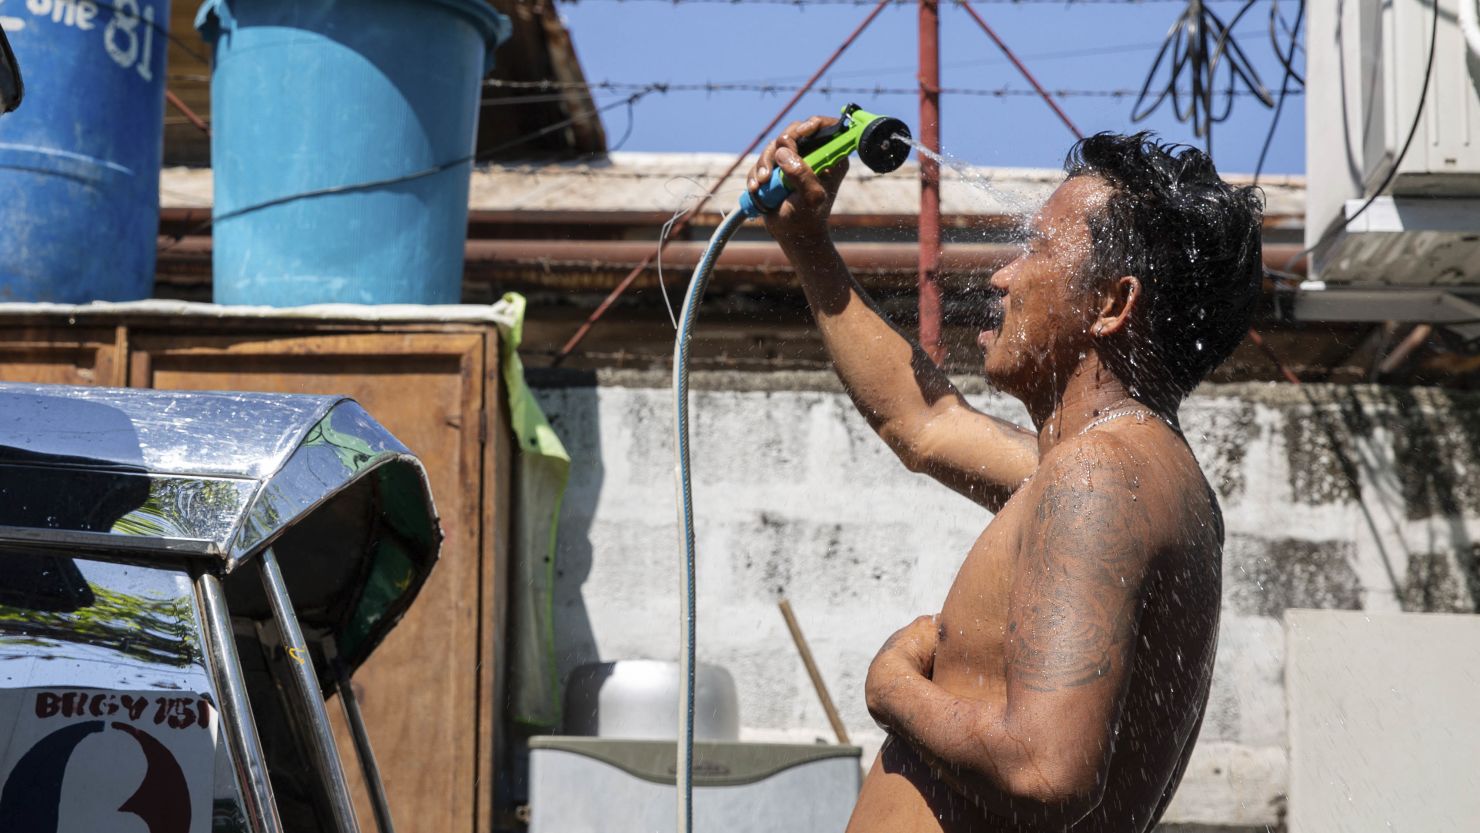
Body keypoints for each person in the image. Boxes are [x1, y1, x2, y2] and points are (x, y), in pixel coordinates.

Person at [747, 122, 1263, 832]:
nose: (1002, 274)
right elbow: (923, 425)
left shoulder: (1100, 475)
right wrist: (807, 242)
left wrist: (891, 687)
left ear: (1113, 305)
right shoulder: (1114, 468)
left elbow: (1045, 772)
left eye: (1039, 248)